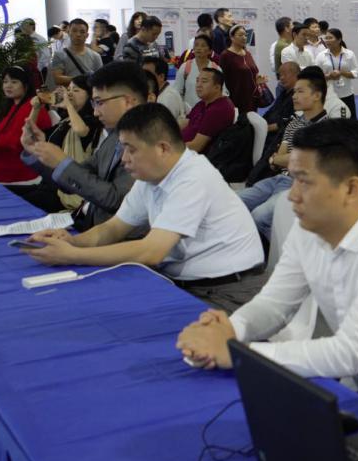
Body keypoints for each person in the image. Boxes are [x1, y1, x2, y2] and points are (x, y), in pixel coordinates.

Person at [178, 117, 358, 395]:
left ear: (351, 188)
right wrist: (231, 330)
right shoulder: (310, 226)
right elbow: (275, 303)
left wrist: (240, 354)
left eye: (304, 181)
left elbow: (351, 352)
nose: (292, 195)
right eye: (293, 179)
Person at [23, 104, 264, 310]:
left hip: (228, 292)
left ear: (162, 148)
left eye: (131, 149)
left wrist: (73, 255)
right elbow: (113, 229)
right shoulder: (150, 176)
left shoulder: (193, 178)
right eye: (123, 149)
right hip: (185, 283)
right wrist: (71, 241)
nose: (124, 158)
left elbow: (151, 251)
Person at [21, 61, 147, 231]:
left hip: (119, 237)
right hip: (89, 224)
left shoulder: (147, 141)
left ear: (128, 101)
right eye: (94, 103)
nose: (95, 112)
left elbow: (116, 200)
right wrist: (38, 151)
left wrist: (63, 162)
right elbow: (78, 176)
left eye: (99, 102)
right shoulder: (115, 137)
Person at [237, 67, 336, 237]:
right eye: (294, 92)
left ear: (317, 95)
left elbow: (299, 160)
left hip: (300, 184)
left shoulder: (326, 127)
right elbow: (281, 156)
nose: (294, 96)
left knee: (259, 216)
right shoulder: (294, 122)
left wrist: (280, 160)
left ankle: (290, 248)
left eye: (300, 91)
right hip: (278, 178)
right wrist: (281, 160)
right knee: (235, 203)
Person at [14, 76, 105, 212]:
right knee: (5, 193)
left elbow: (81, 130)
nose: (69, 94)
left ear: (90, 96)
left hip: (64, 193)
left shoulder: (91, 122)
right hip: (48, 184)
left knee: (14, 204)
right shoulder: (65, 121)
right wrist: (36, 108)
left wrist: (68, 105)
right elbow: (31, 134)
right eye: (68, 89)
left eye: (76, 90)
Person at [182, 68, 237, 153]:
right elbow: (185, 122)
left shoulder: (218, 110)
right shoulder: (203, 103)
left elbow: (196, 146)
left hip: (193, 156)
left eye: (204, 81)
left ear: (217, 87)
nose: (198, 85)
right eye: (197, 81)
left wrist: (169, 146)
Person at [313, 27, 358, 119]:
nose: (327, 40)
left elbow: (356, 73)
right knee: (331, 123)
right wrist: (329, 76)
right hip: (329, 95)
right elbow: (316, 76)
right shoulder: (321, 56)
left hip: (347, 94)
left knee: (349, 122)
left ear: (339, 40)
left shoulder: (349, 54)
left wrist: (342, 73)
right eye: (326, 38)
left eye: (330, 38)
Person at [219, 23, 264, 114]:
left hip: (252, 98)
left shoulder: (247, 53)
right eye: (240, 35)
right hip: (235, 99)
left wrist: (259, 79)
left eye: (245, 35)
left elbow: (254, 71)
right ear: (232, 37)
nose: (244, 38)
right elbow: (221, 79)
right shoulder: (226, 55)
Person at [49, 18, 102, 90]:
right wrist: (83, 79)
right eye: (74, 31)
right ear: (69, 32)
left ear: (87, 35)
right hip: (68, 94)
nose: (78, 34)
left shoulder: (96, 56)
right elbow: (58, 79)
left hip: (89, 94)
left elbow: (100, 80)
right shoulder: (59, 55)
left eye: (82, 32)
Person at [175, 35, 223, 112]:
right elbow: (177, 91)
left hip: (211, 112)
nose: (199, 48)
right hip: (189, 112)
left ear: (210, 51)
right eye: (196, 45)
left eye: (203, 45)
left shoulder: (216, 69)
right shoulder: (185, 67)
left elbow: (222, 92)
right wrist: (183, 108)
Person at [141, 56, 186, 122]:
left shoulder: (169, 98)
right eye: (142, 73)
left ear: (161, 77)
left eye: (148, 74)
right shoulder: (155, 93)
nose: (143, 77)